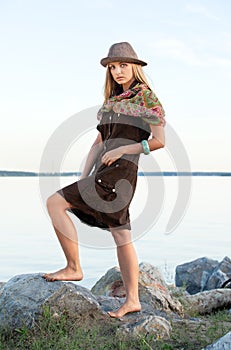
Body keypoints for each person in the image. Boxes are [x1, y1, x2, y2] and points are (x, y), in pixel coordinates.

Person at [43, 42, 165, 318]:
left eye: (123, 65)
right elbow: (97, 143)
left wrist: (124, 149)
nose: (118, 71)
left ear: (135, 66)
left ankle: (73, 267)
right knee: (121, 235)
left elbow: (158, 141)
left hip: (121, 173)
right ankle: (132, 299)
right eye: (113, 67)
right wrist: (83, 177)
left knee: (54, 203)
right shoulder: (110, 103)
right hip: (104, 173)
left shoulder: (146, 98)